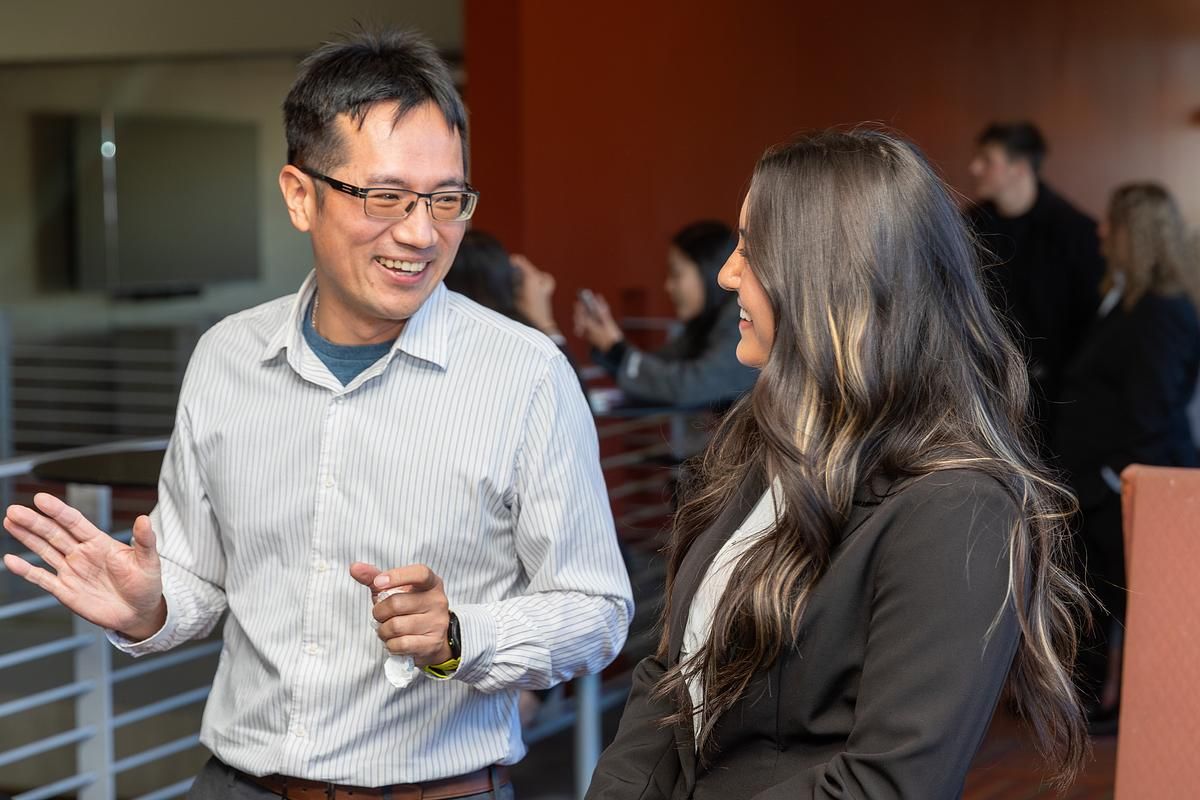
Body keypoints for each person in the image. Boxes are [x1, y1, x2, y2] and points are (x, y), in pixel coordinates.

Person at [2, 29, 632, 800]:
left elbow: (597, 610)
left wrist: (461, 636)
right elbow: (200, 576)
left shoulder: (526, 375)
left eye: (445, 199)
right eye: (386, 196)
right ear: (301, 195)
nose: (422, 233)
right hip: (238, 784)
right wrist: (152, 604)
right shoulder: (228, 358)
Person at [586, 130, 1088, 799]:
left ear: (829, 276)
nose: (729, 274)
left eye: (751, 247)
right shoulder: (764, 444)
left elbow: (888, 783)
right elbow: (671, 675)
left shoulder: (958, 509)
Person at [1054, 182, 1200, 732]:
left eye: (1111, 223)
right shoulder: (1121, 299)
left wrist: (1108, 480)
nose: (1100, 231)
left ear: (1134, 235)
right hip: (1104, 489)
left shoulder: (1164, 312)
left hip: (1135, 489)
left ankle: (1133, 712)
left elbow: (1153, 413)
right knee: (1110, 603)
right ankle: (1108, 702)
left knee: (1142, 609)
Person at [967, 122, 1105, 450]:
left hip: (1059, 402)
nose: (975, 168)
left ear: (1020, 167)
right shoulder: (968, 226)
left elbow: (1090, 323)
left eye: (987, 160)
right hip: (987, 391)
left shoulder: (1075, 232)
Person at [572, 221, 758, 411]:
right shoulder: (707, 324)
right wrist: (609, 344)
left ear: (710, 270)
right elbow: (663, 367)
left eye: (676, 274)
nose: (668, 286)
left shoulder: (741, 321)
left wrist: (614, 348)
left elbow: (687, 386)